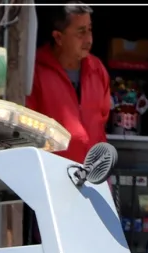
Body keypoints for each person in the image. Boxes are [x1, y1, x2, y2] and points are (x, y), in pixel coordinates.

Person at [26, 4, 111, 164]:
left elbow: (102, 119)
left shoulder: (97, 69)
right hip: (52, 174)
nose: (89, 40)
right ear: (58, 37)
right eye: (81, 32)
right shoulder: (35, 72)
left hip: (93, 175)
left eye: (89, 30)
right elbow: (29, 132)